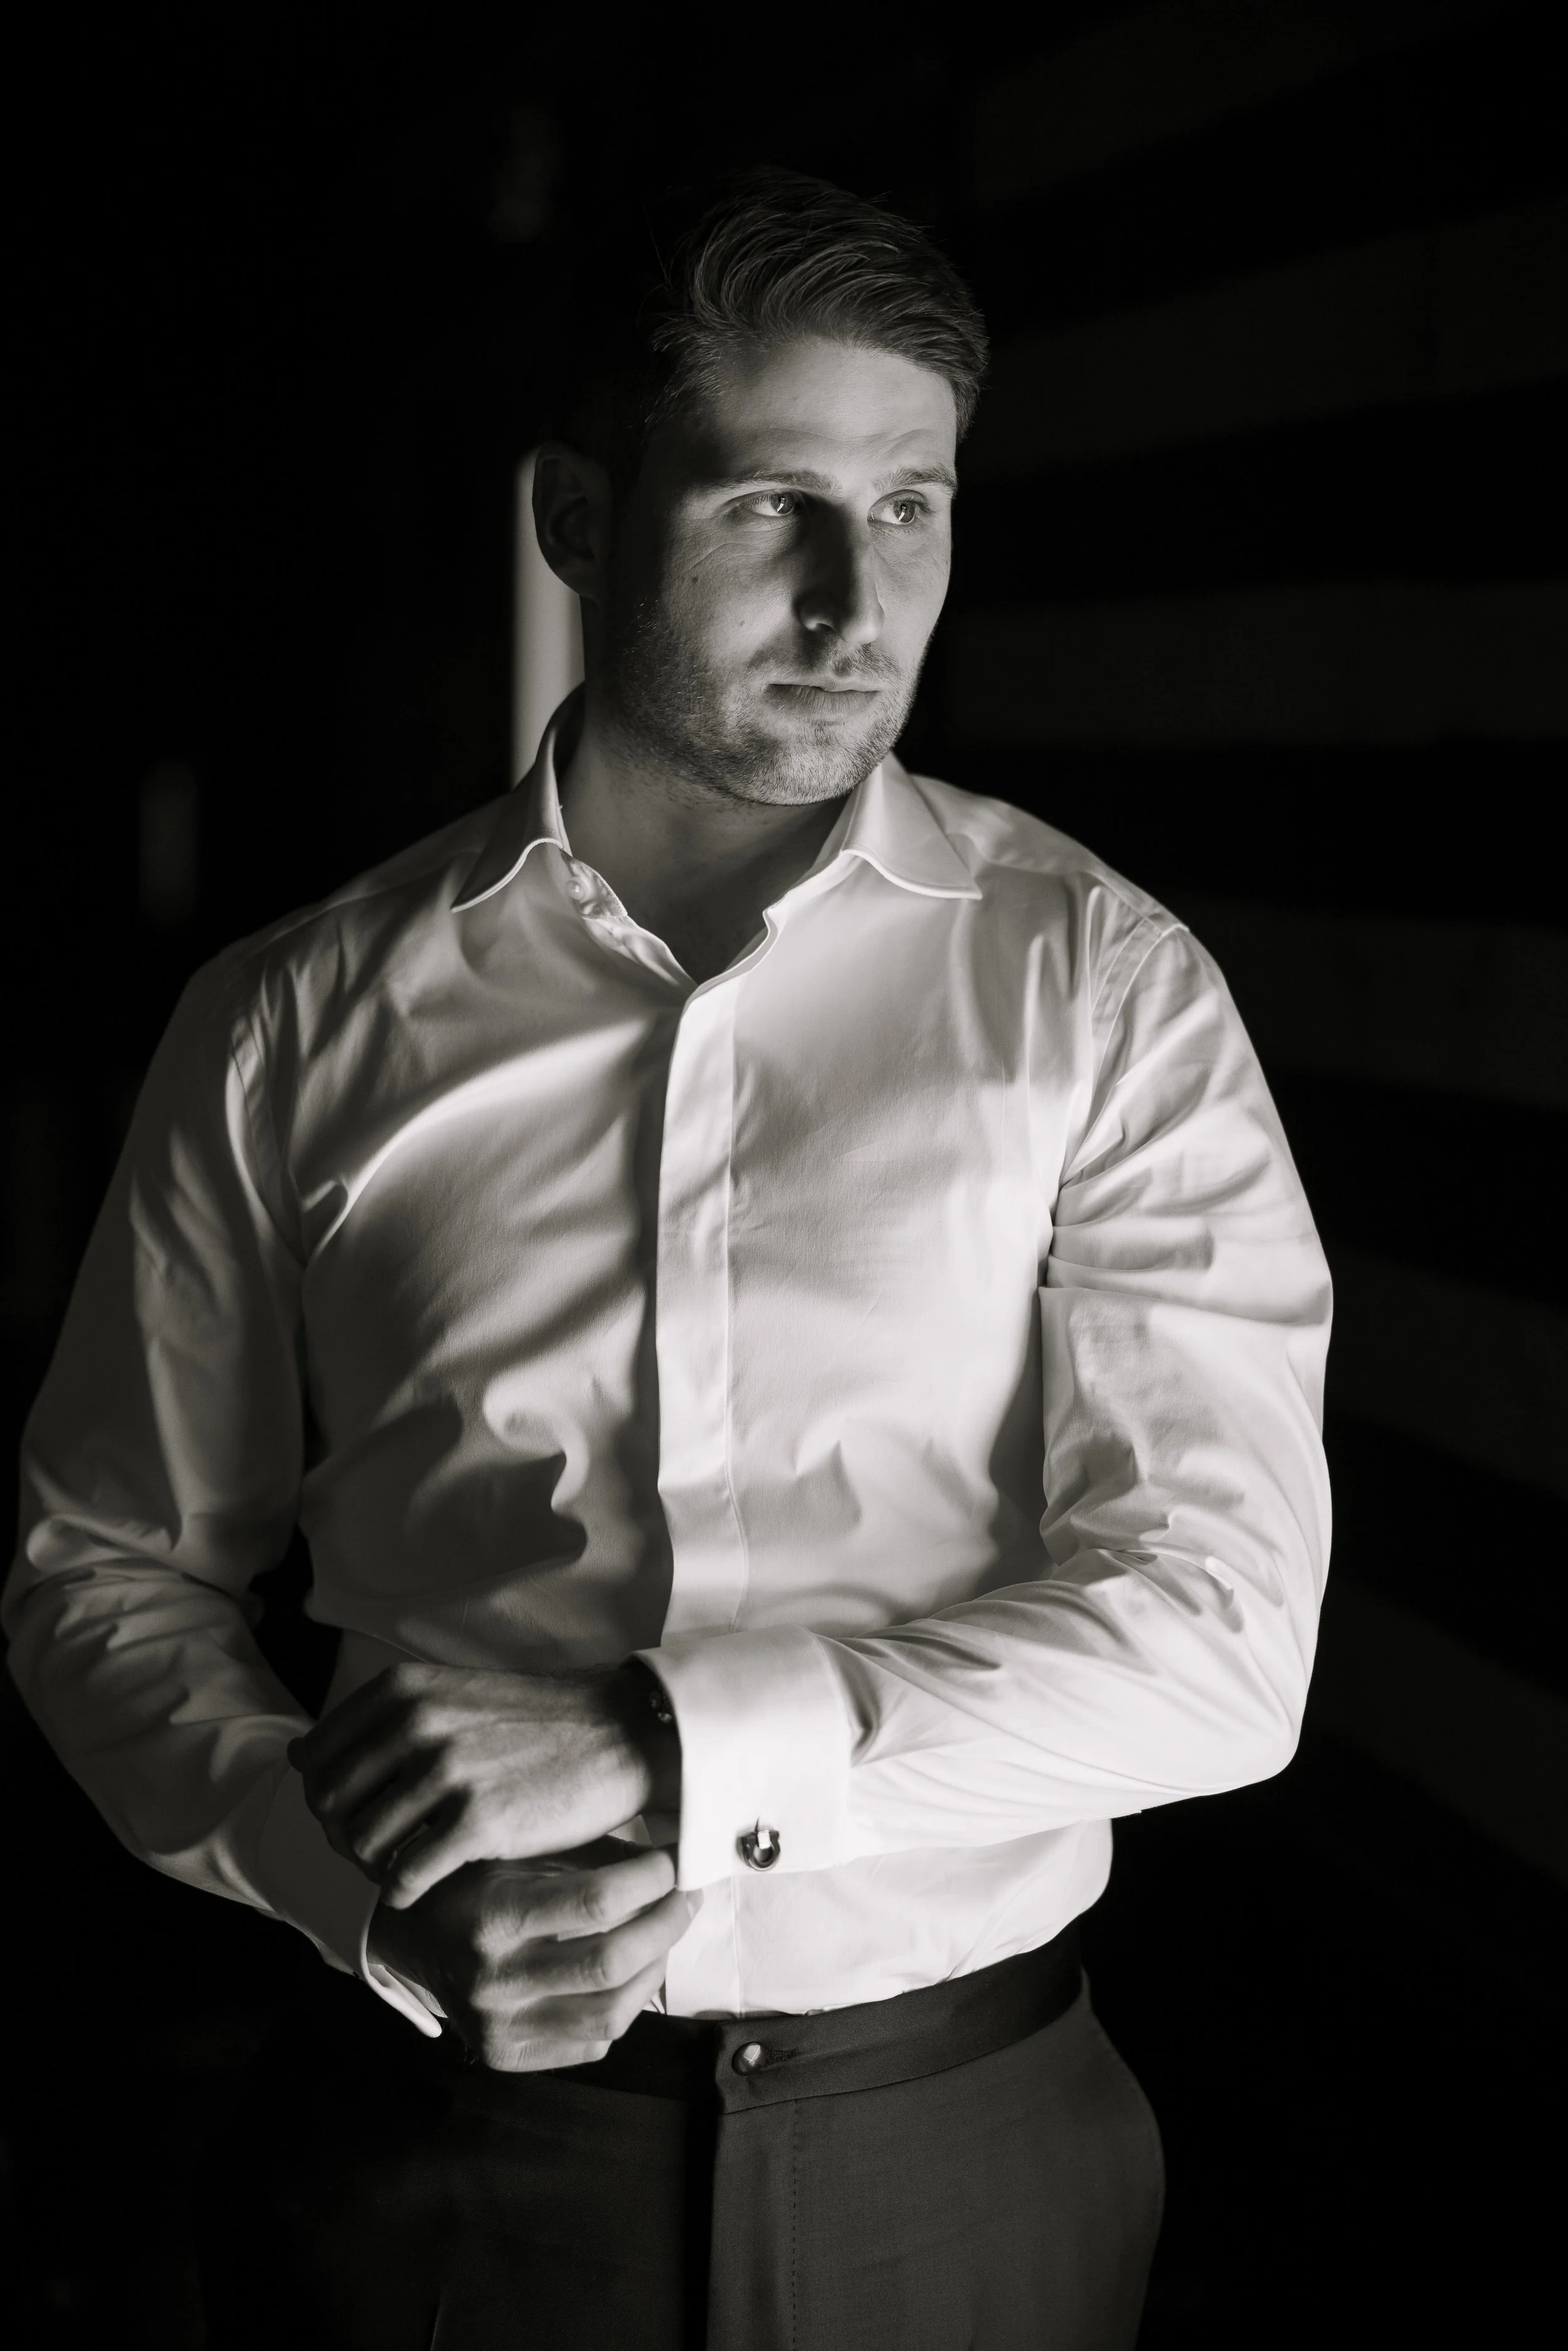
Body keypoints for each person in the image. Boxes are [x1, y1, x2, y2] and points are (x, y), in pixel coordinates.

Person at [4, 169, 1330, 2349]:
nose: (849, 597)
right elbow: (102, 1568)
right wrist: (351, 1890)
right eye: (765, 505)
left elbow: (1219, 1636)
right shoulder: (292, 1018)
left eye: (911, 508)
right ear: (577, 516)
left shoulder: (1101, 987)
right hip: (432, 2154)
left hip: (963, 2138)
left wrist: (655, 1743)